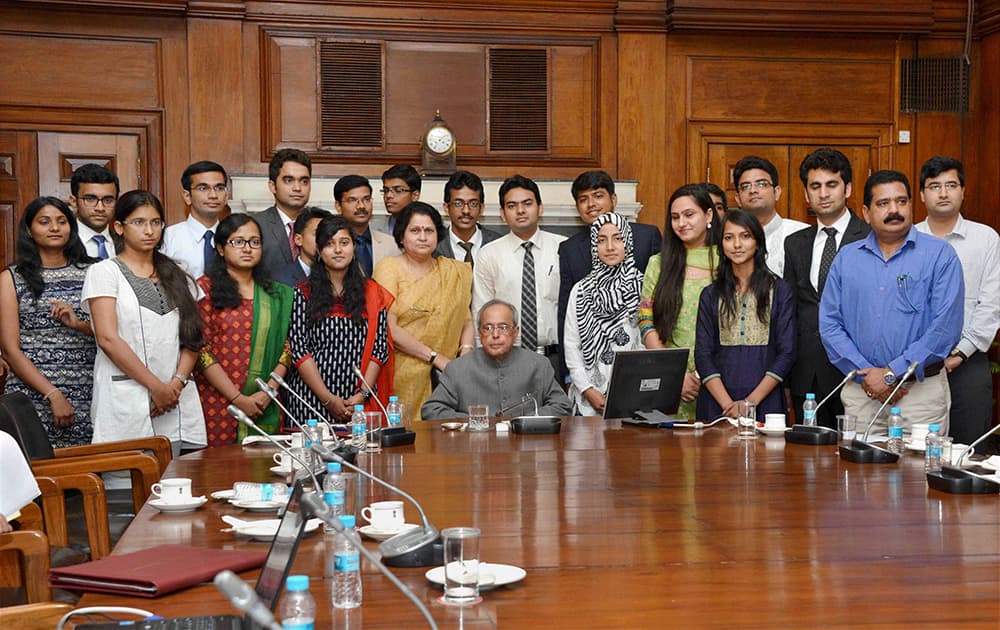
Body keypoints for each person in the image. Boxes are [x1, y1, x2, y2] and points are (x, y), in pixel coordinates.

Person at [820, 170, 963, 434]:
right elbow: (830, 324)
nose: (894, 210)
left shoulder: (940, 255)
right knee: (859, 472)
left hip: (921, 395)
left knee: (920, 473)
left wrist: (890, 374)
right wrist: (867, 374)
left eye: (901, 201)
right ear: (865, 212)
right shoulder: (846, 258)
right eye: (883, 203)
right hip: (862, 393)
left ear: (911, 204)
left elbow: (945, 328)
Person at [82, 190, 206, 451]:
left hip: (178, 398)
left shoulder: (178, 272)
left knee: (183, 484)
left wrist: (176, 383)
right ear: (118, 227)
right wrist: (156, 387)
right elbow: (107, 338)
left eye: (156, 222)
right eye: (139, 222)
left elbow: (193, 337)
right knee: (128, 485)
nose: (149, 230)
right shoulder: (104, 272)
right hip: (128, 399)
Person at [915, 156, 999, 446]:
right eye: (934, 186)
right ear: (922, 194)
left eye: (951, 185)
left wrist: (959, 355)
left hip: (968, 361)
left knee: (970, 450)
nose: (943, 192)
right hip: (918, 365)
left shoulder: (985, 239)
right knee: (917, 449)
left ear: (963, 191)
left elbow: (991, 305)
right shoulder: (908, 238)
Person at [783, 148, 870, 428]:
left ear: (848, 189)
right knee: (808, 463)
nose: (823, 193)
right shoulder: (795, 243)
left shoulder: (870, 237)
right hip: (807, 373)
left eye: (831, 185)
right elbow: (790, 309)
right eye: (815, 186)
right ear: (806, 194)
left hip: (858, 370)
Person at [0, 197, 97, 447]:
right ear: (29, 231)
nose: (54, 228)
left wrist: (78, 324)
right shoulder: (12, 278)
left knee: (92, 473)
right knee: (40, 476)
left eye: (62, 221)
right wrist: (53, 394)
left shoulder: (95, 271)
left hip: (91, 389)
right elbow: (10, 350)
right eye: (44, 222)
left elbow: (111, 331)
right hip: (33, 394)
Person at [194, 214, 293, 445]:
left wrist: (268, 392)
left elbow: (286, 347)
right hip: (218, 402)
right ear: (220, 248)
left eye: (254, 242)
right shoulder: (204, 290)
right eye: (237, 242)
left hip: (265, 402)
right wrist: (238, 398)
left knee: (267, 473)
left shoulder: (276, 294)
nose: (247, 248)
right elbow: (201, 350)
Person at [288, 215, 395, 423]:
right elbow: (299, 351)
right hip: (310, 400)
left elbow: (379, 349)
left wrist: (361, 396)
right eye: (329, 244)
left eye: (344, 243)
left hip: (359, 402)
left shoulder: (374, 294)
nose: (338, 250)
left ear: (354, 247)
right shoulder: (301, 294)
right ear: (318, 251)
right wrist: (328, 399)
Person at [373, 202, 474, 421]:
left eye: (429, 230)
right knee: (406, 442)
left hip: (449, 376)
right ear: (401, 236)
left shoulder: (452, 271)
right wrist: (436, 358)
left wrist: (464, 356)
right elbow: (387, 326)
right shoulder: (389, 268)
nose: (422, 237)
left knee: (447, 442)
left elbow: (465, 318)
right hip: (402, 374)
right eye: (415, 230)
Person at [557, 170, 661, 380]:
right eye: (583, 199)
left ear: (613, 199)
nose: (591, 204)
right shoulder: (569, 249)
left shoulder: (647, 236)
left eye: (598, 196)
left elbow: (662, 296)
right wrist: (569, 374)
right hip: (592, 362)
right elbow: (566, 313)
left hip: (638, 354)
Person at [695, 210, 796, 419]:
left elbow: (787, 352)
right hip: (717, 402)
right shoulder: (710, 294)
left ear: (758, 242)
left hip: (764, 400)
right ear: (721, 245)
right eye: (729, 238)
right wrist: (728, 405)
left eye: (745, 236)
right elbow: (703, 354)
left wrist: (749, 403)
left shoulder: (780, 290)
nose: (737, 245)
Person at [639, 184, 720, 420]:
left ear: (708, 215)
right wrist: (675, 374)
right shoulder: (659, 263)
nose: (681, 223)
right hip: (671, 379)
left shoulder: (727, 260)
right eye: (675, 217)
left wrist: (704, 372)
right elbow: (645, 322)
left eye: (689, 215)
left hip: (720, 376)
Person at [474, 175, 566, 372]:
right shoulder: (489, 254)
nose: (521, 210)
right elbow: (481, 313)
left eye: (527, 203)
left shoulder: (563, 248)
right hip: (506, 358)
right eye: (512, 205)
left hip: (557, 358)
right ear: (502, 213)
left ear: (540, 208)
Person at [422, 300, 573, 420]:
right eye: (487, 328)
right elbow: (432, 410)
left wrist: (522, 420)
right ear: (479, 333)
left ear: (515, 332)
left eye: (503, 327)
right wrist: (478, 421)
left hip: (527, 450)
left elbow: (562, 406)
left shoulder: (538, 364)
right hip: (474, 451)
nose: (495, 334)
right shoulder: (458, 369)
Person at [563, 213, 642, 416]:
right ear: (593, 246)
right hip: (588, 396)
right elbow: (572, 346)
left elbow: (647, 342)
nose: (609, 247)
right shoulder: (581, 290)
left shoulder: (643, 286)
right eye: (601, 240)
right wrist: (588, 390)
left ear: (628, 242)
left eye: (618, 238)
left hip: (635, 396)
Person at [732, 156, 807, 277]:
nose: (753, 190)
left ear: (777, 192)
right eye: (745, 186)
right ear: (738, 199)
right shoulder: (730, 240)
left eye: (761, 184)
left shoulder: (803, 234)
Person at [162, 160, 230, 279]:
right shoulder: (168, 238)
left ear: (226, 196)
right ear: (187, 196)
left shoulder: (235, 237)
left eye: (219, 188)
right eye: (203, 188)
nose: (213, 195)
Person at [258, 149, 312, 277]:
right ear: (272, 186)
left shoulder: (322, 224)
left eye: (304, 181)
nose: (297, 188)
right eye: (289, 180)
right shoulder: (256, 225)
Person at [334, 174, 399, 277]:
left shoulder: (391, 244)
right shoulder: (332, 245)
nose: (361, 206)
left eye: (366, 199)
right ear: (338, 206)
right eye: (352, 200)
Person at [435, 170, 501, 265]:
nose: (466, 211)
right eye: (458, 203)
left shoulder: (497, 244)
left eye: (473, 204)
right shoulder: (434, 245)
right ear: (446, 208)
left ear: (481, 208)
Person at [68, 163, 119, 260]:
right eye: (90, 199)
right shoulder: (61, 243)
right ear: (74, 201)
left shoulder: (127, 244)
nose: (100, 208)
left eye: (108, 200)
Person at [272, 207, 333, 287]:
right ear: (298, 239)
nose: (324, 239)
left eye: (328, 235)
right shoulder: (281, 280)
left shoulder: (340, 275)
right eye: (318, 233)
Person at [374, 164, 421, 235]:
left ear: (415, 195)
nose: (388, 195)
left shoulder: (430, 228)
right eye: (386, 190)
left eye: (398, 190)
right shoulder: (372, 229)